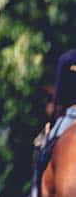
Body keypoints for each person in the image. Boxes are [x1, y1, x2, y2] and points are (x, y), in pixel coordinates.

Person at [31, 49, 76, 197]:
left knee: (43, 149)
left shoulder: (67, 59)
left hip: (71, 114)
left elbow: (59, 96)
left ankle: (35, 191)